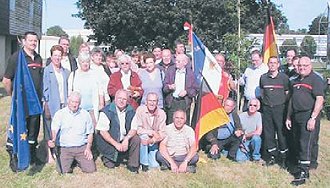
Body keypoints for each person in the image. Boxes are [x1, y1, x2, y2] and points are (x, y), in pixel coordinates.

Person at [3, 31, 43, 171]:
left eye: (35, 41)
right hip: (22, 103)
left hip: (35, 102)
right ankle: (14, 157)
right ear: (24, 41)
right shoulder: (16, 58)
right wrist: (13, 96)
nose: (33, 43)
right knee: (18, 128)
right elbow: (6, 80)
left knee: (33, 130)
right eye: (30, 40)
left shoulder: (38, 58)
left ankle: (32, 155)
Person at [286, 56, 324, 186]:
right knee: (297, 142)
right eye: (300, 65)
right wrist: (288, 117)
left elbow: (319, 99)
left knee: (305, 144)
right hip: (296, 116)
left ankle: (303, 173)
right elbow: (291, 99)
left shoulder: (316, 80)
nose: (302, 68)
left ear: (310, 66)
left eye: (305, 66)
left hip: (308, 115)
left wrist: (313, 118)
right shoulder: (294, 81)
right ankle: (302, 165)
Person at [48, 91, 96, 174]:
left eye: (77, 102)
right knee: (62, 171)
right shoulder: (59, 114)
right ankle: (71, 160)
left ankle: (77, 160)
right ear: (68, 101)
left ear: (80, 103)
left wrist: (88, 148)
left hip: (81, 147)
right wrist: (53, 139)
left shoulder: (85, 114)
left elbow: (90, 133)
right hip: (65, 147)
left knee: (90, 169)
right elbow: (54, 129)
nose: (74, 104)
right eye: (72, 102)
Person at [95, 89, 141, 173]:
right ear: (115, 99)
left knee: (136, 139)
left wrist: (127, 139)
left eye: (124, 99)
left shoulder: (131, 110)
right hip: (110, 142)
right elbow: (103, 132)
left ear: (127, 101)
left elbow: (134, 128)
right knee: (110, 165)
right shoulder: (106, 111)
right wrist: (116, 144)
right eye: (119, 98)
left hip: (123, 140)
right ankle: (110, 157)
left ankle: (133, 166)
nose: (121, 101)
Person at [260, 56, 289, 167]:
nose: (272, 65)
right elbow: (262, 92)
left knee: (281, 134)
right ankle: (272, 156)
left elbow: (287, 93)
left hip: (279, 109)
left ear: (278, 65)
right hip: (267, 109)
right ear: (268, 64)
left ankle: (283, 158)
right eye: (270, 63)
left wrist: (280, 103)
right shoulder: (263, 78)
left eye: (274, 63)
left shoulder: (284, 78)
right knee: (269, 134)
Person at [43, 45, 70, 162]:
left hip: (63, 104)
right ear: (51, 56)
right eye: (55, 55)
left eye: (59, 55)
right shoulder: (46, 71)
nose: (57, 58)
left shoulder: (65, 72)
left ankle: (58, 150)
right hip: (51, 104)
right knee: (49, 129)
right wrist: (46, 103)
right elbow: (44, 89)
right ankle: (49, 154)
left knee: (60, 128)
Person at [132, 92, 166, 171]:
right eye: (150, 101)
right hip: (143, 138)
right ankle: (144, 164)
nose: (152, 103)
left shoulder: (162, 113)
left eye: (154, 101)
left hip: (154, 141)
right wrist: (151, 132)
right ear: (146, 102)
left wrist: (152, 140)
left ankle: (149, 160)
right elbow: (138, 129)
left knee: (154, 165)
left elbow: (162, 133)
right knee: (144, 136)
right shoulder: (140, 110)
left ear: (157, 103)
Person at [68, 52, 102, 127]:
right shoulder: (73, 75)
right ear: (79, 63)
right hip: (78, 109)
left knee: (93, 130)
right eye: (83, 62)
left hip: (92, 109)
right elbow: (69, 93)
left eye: (87, 61)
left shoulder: (95, 74)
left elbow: (100, 91)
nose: (85, 64)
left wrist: (101, 104)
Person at [163, 54, 198, 125]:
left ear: (185, 63)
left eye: (178, 61)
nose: (176, 62)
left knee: (183, 124)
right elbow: (164, 87)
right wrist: (169, 87)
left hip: (184, 102)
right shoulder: (170, 71)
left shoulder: (191, 73)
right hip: (172, 101)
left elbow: (195, 89)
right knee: (171, 123)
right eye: (176, 61)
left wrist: (186, 92)